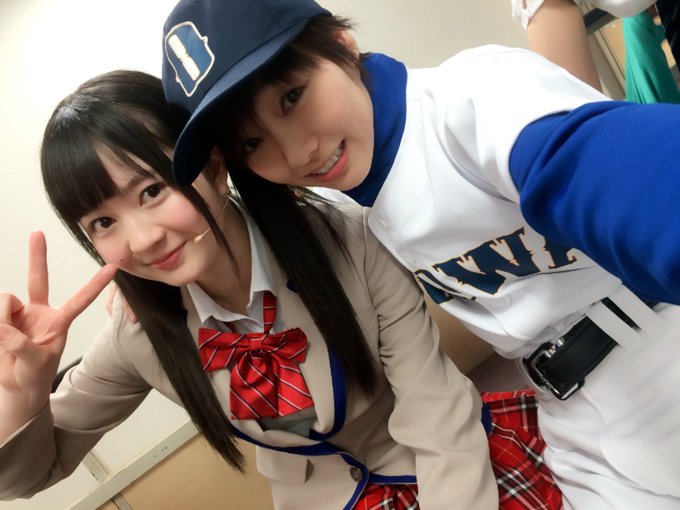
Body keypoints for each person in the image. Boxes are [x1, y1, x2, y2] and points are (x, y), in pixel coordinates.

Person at [159, 0, 680, 508]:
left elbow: (619, 175)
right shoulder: (350, 210)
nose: (297, 153)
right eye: (252, 143)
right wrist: (149, 277)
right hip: (575, 422)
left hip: (659, 353)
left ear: (342, 44)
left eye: (293, 97)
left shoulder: (471, 99)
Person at [0, 70, 565, 509]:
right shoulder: (138, 334)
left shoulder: (349, 240)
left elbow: (435, 413)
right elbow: (30, 475)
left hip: (442, 470)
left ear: (213, 166)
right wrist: (23, 397)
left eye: (152, 190)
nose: (143, 239)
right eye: (103, 222)